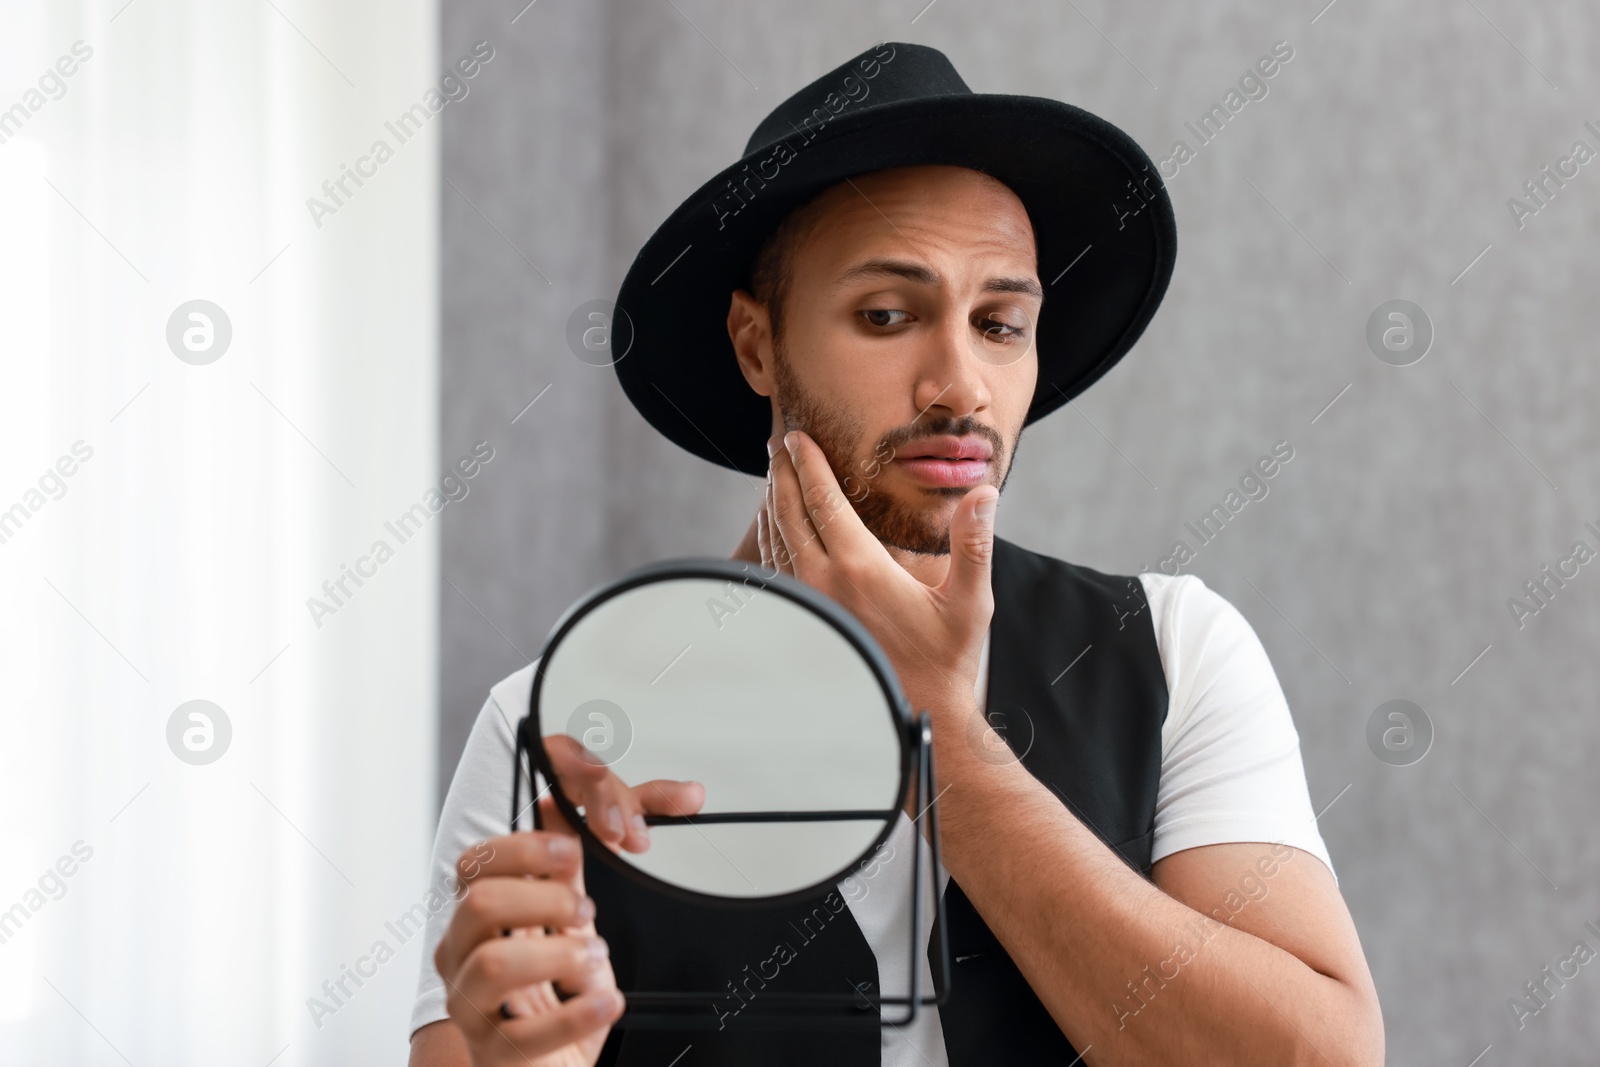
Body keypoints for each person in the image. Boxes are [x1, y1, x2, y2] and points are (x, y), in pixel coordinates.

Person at [409, 40, 1384, 1066]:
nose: (959, 383)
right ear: (755, 343)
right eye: (887, 314)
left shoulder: (1175, 650)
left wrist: (946, 748)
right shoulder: (550, 726)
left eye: (1001, 323)